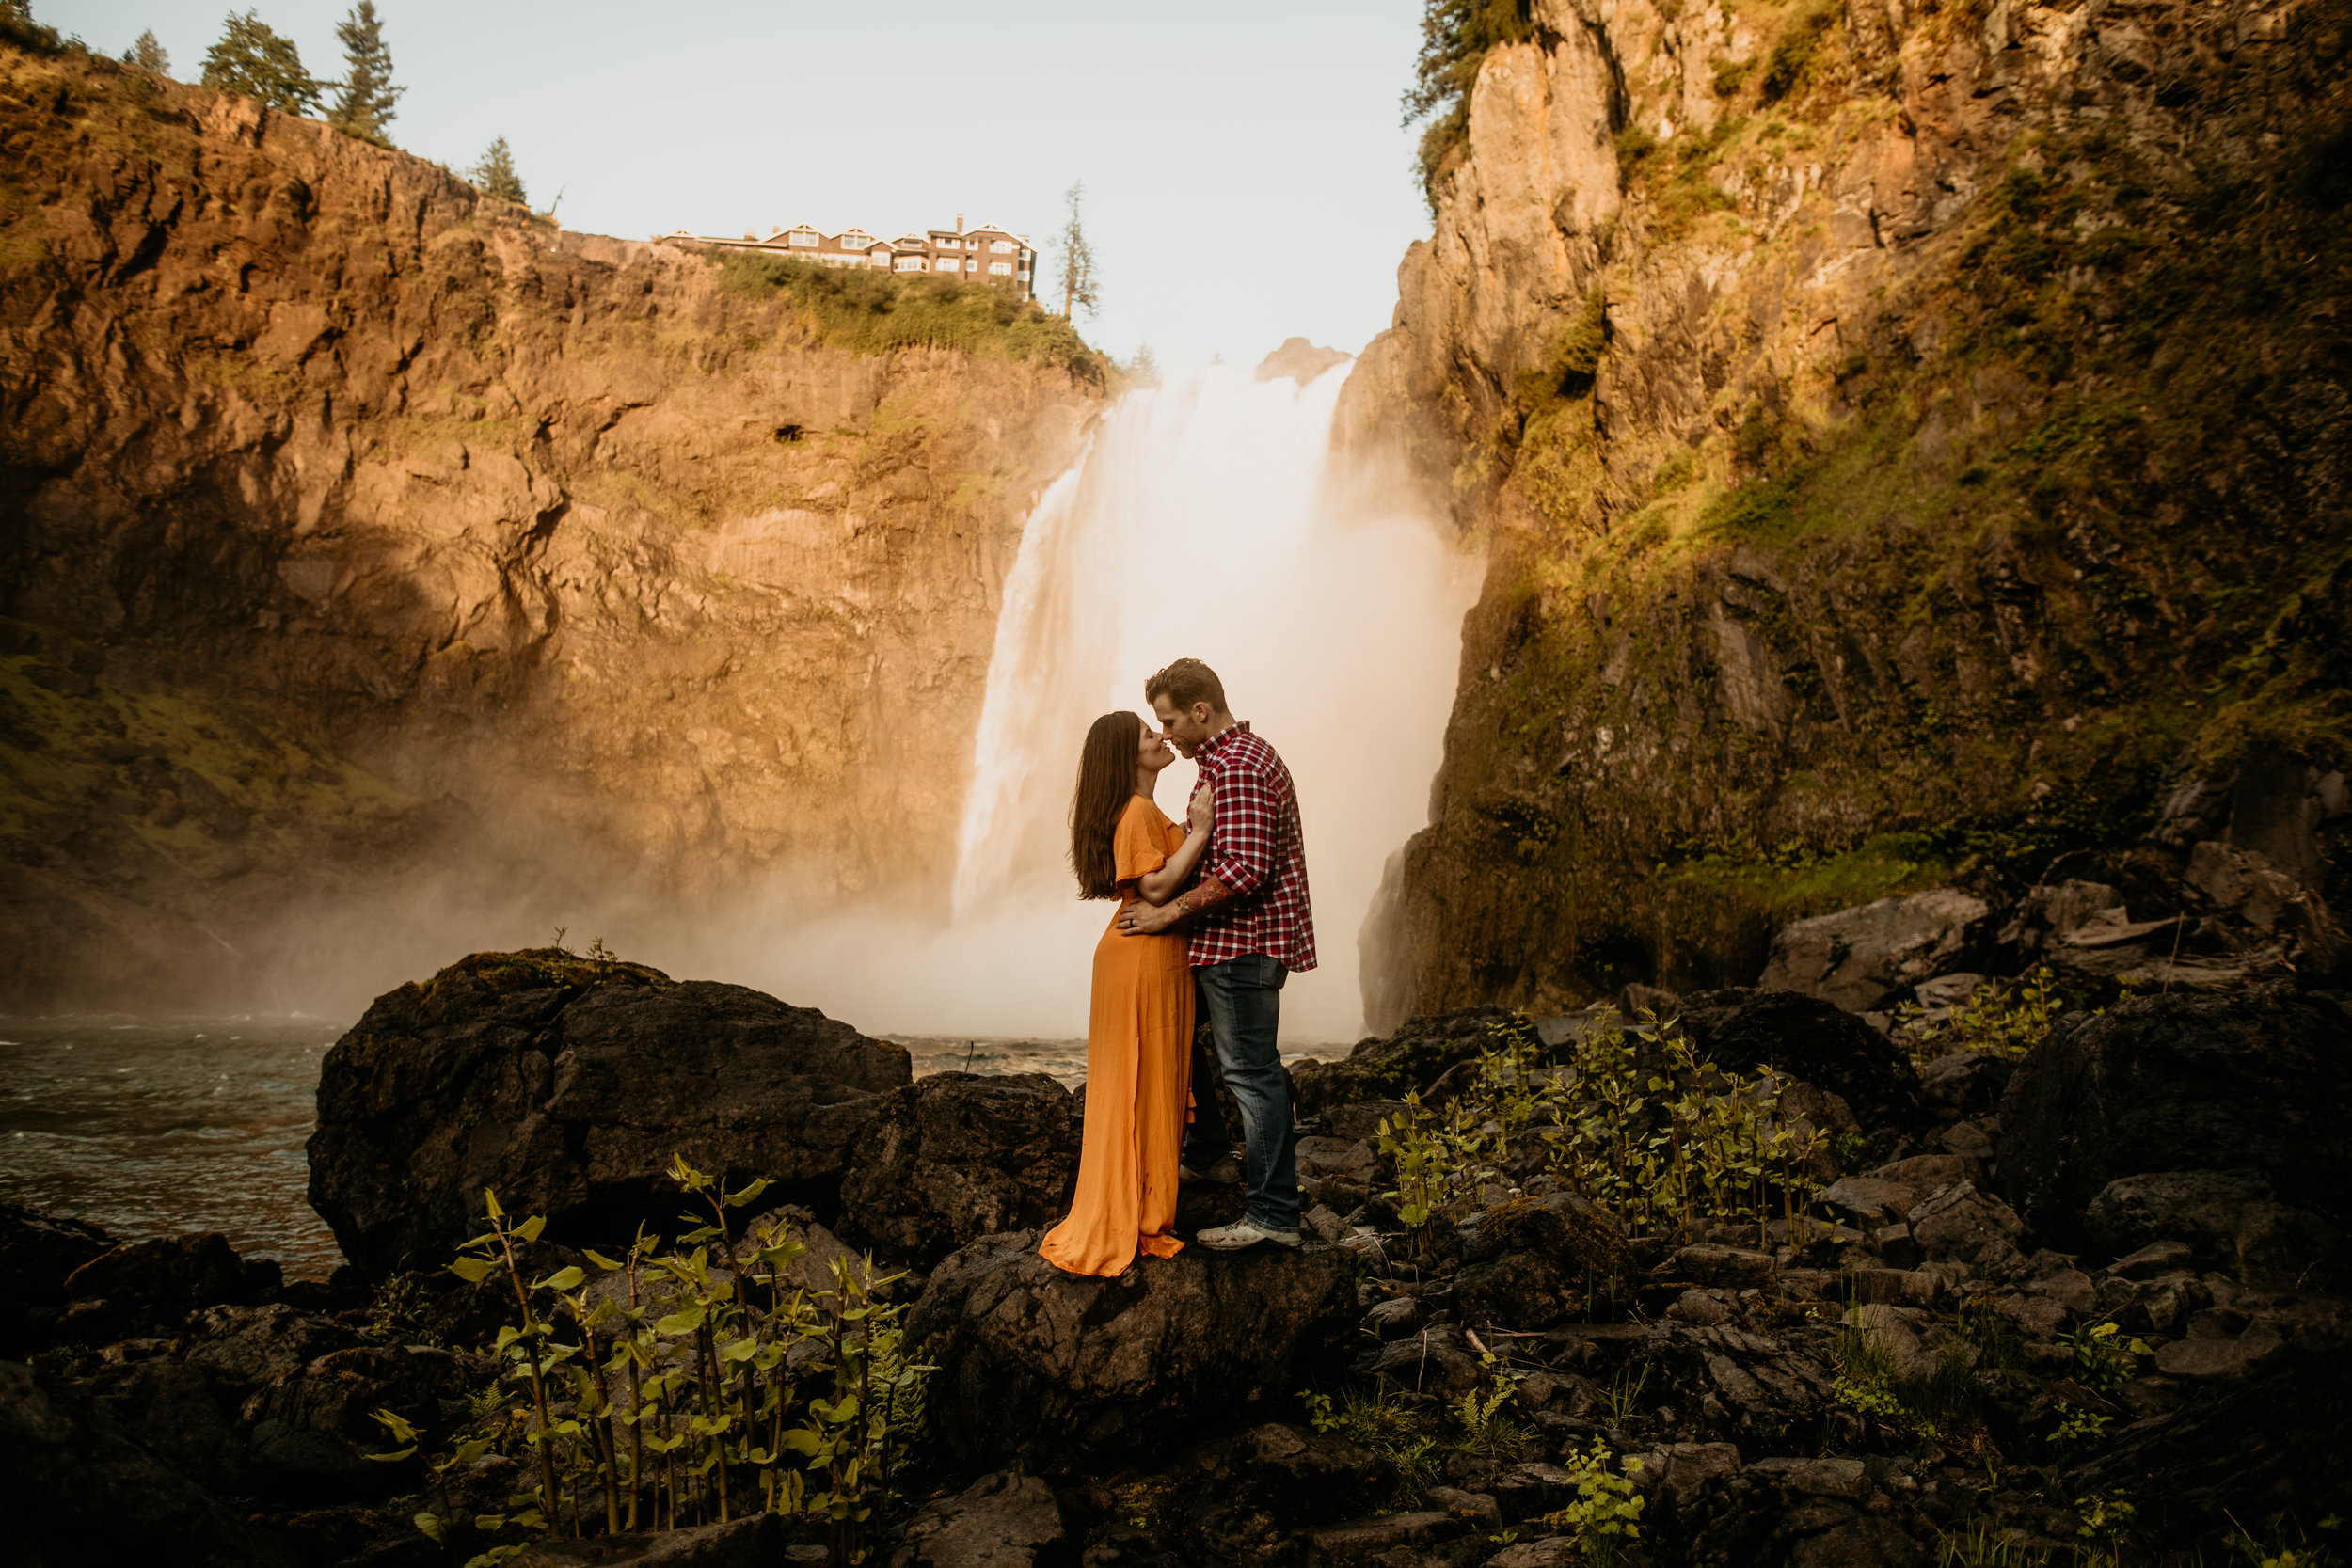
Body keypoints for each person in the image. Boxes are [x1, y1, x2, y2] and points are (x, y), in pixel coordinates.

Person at [1120, 657, 1316, 1251]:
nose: (1168, 733)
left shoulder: (1240, 767)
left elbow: (1244, 870)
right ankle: (1206, 1151)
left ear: (1200, 711)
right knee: (1178, 1039)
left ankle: (1274, 1217)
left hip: (1243, 949)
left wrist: (1162, 915)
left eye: (1170, 720)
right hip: (1222, 949)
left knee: (1253, 1075)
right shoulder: (1222, 765)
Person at [1038, 710, 1216, 1276]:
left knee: (1146, 1082)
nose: (1161, 736)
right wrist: (1202, 833)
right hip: (1142, 958)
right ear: (1127, 757)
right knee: (1148, 1081)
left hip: (1141, 955)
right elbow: (1155, 885)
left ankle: (1139, 1203)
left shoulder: (1141, 811)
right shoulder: (1138, 812)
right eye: (1148, 734)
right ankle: (1140, 1213)